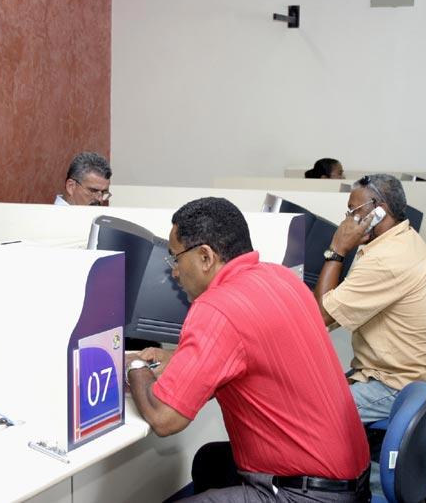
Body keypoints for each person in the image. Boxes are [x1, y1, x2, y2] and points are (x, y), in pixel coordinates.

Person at [127, 197, 370, 502]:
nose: (175, 272)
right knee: (210, 461)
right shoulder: (281, 277)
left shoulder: (217, 307)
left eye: (175, 258)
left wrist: (135, 368)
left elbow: (164, 418)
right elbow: (251, 350)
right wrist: (178, 358)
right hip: (351, 475)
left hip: (309, 493)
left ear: (205, 256)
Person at [313, 174, 426, 422]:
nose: (348, 220)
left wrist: (337, 248)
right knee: (322, 387)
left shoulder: (385, 259)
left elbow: (319, 317)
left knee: (312, 411)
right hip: (415, 378)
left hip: (401, 388)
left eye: (354, 211)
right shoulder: (406, 237)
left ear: (380, 211)